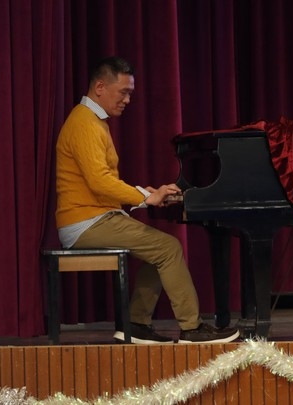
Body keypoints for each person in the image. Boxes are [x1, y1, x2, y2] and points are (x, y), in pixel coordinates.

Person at [55, 56, 239, 344]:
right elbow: (99, 181)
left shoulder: (93, 121)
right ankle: (192, 328)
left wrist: (146, 195)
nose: (128, 100)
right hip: (85, 222)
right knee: (168, 248)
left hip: (95, 217)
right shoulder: (84, 123)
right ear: (100, 87)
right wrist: (147, 197)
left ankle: (137, 324)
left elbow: (102, 181)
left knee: (160, 250)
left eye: (130, 93)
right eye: (123, 92)